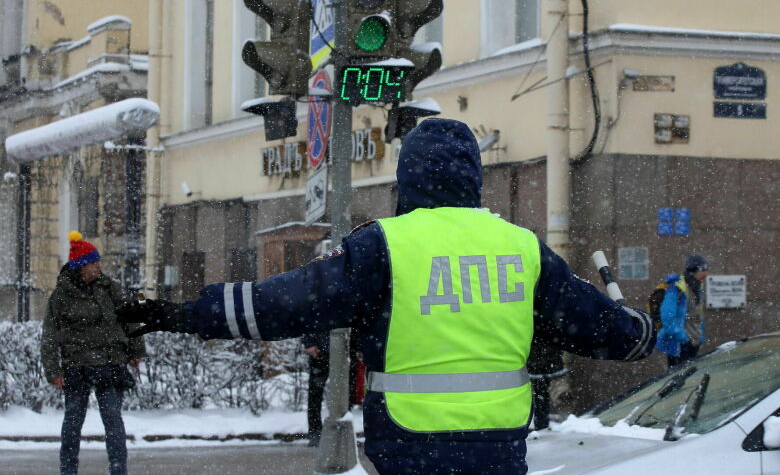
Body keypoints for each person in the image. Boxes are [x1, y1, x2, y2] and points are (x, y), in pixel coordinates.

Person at [118, 118, 655, 475]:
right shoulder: (522, 249)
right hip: (499, 447)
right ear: (473, 176)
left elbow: (282, 303)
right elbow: (605, 330)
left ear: (408, 177)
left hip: (409, 442)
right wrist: (642, 331)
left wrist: (180, 313)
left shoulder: (385, 246)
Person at [41, 231, 146, 475]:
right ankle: (68, 470)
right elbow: (49, 335)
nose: (98, 267)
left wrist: (136, 350)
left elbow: (132, 317)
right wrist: (53, 370)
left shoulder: (111, 289)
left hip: (110, 364)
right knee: (73, 424)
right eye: (93, 262)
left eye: (98, 262)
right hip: (76, 366)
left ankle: (119, 470)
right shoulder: (60, 297)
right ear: (80, 266)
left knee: (113, 422)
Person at [302, 329, 362, 447]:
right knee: (315, 394)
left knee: (346, 395)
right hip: (322, 351)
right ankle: (316, 433)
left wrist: (359, 345)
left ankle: (344, 433)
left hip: (346, 350)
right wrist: (309, 342)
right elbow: (309, 316)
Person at [655, 253, 709, 368]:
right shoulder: (677, 287)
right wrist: (681, 336)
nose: (706, 273)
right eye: (703, 269)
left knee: (689, 376)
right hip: (680, 343)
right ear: (694, 269)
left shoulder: (698, 288)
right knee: (677, 378)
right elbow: (667, 316)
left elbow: (697, 315)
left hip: (694, 341)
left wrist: (700, 335)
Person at [527, 340, 567, 431]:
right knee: (542, 393)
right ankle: (542, 424)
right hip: (545, 361)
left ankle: (541, 424)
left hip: (540, 361)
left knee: (541, 393)